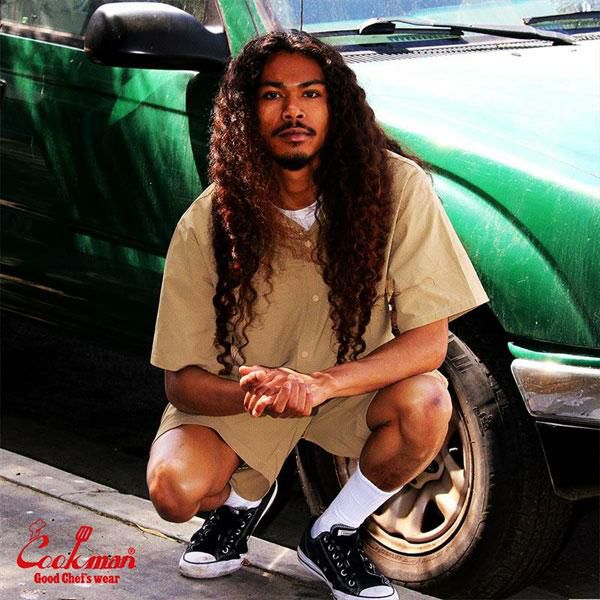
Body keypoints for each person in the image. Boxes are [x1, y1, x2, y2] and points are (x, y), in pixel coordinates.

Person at [146, 30, 488, 600]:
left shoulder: (398, 189)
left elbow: (429, 344)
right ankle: (242, 502)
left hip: (349, 391)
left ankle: (334, 533)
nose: (293, 111)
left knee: (429, 400)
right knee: (173, 490)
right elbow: (180, 383)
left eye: (311, 93)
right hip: (246, 398)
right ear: (244, 114)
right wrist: (259, 395)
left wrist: (319, 384)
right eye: (272, 95)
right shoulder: (206, 223)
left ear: (337, 107)